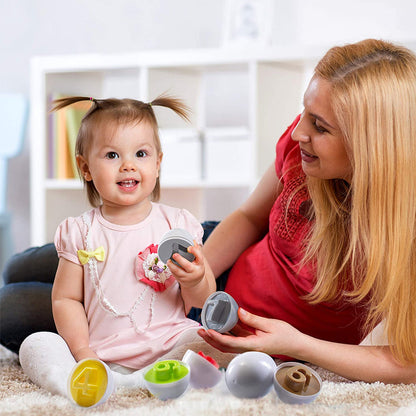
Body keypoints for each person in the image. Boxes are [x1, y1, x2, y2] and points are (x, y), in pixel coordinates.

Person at [198, 38, 416, 384]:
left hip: (282, 350)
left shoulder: (406, 226)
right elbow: (249, 217)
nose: (299, 132)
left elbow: (409, 362)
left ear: (371, 146)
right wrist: (196, 281)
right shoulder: (302, 150)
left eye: (320, 126)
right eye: (304, 113)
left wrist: (300, 346)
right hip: (216, 271)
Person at [17, 95, 227, 406]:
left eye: (141, 153)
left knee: (211, 342)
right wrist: (84, 352)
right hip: (102, 357)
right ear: (85, 167)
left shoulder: (178, 224)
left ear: (157, 163)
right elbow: (66, 298)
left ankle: (137, 380)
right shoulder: (80, 232)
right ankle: (81, 381)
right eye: (112, 155)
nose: (128, 164)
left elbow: (199, 301)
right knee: (35, 345)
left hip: (168, 346)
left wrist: (195, 280)